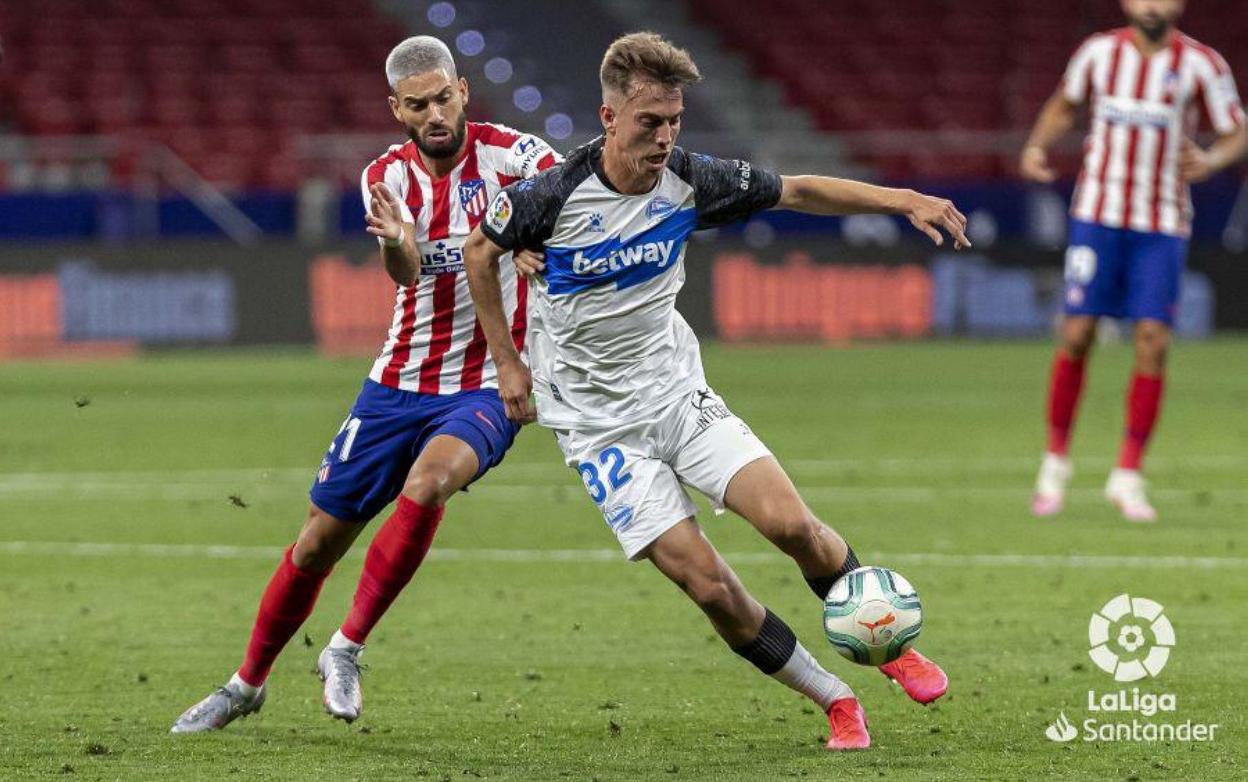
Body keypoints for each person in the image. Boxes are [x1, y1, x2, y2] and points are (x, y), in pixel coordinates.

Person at [463, 32, 968, 751]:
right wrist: (508, 363)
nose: (665, 136)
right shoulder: (551, 197)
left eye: (673, 120)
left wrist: (899, 198)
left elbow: (797, 190)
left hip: (676, 394)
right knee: (711, 588)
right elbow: (482, 249)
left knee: (793, 525)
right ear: (609, 119)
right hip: (599, 430)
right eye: (649, 123)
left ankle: (889, 644)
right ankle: (833, 698)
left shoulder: (692, 180)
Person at [171, 36, 558, 732]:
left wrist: (542, 234)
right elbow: (408, 268)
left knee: (431, 482)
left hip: (484, 383)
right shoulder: (386, 177)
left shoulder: (520, 157)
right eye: (418, 105)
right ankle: (245, 683)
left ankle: (346, 648)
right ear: (397, 109)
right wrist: (391, 242)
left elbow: (571, 205)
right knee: (318, 541)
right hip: (396, 382)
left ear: (463, 91)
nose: (435, 113)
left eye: (444, 97)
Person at [1021, 0, 1246, 521]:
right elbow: (1063, 105)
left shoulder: (1202, 64)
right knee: (1076, 333)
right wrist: (1037, 146)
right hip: (1097, 216)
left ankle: (1128, 474)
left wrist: (1212, 158)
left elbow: (1238, 130)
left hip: (1163, 222)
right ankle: (1054, 464)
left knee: (1153, 340)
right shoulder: (1099, 53)